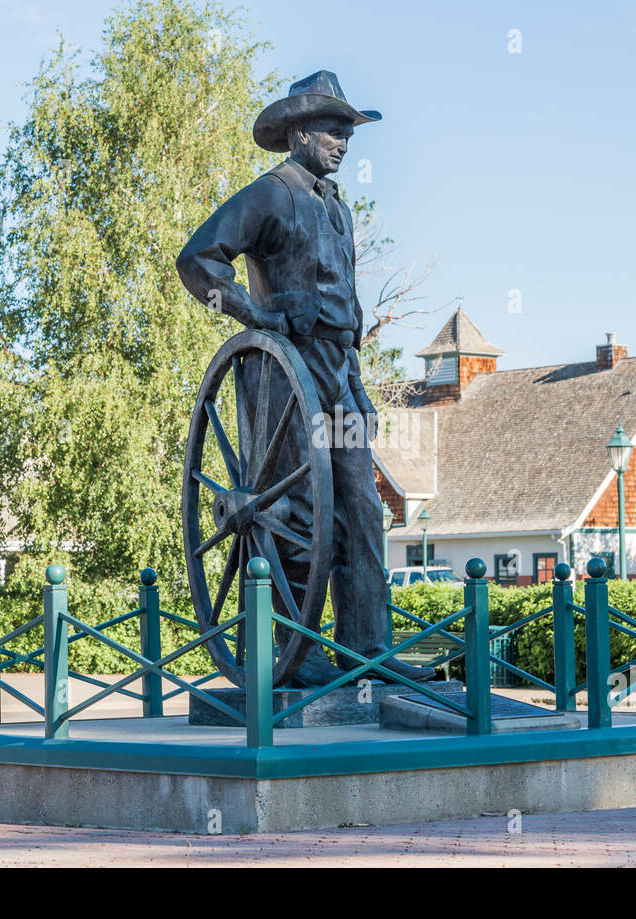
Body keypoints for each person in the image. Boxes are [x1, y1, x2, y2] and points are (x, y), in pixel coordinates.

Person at [177, 70, 435, 686]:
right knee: (293, 507)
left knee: (363, 506)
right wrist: (254, 313)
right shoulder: (271, 194)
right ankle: (297, 657)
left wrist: (360, 383)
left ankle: (368, 648)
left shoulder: (338, 210)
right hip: (285, 373)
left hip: (339, 371)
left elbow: (347, 305)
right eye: (331, 129)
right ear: (298, 132)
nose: (342, 142)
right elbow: (197, 259)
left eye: (348, 132)